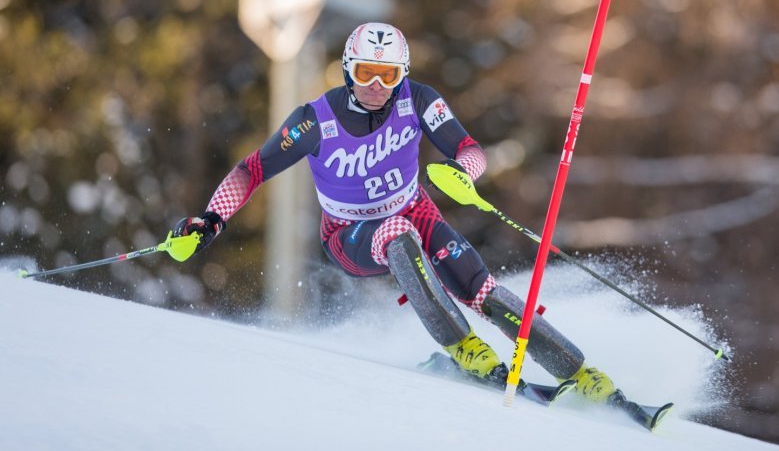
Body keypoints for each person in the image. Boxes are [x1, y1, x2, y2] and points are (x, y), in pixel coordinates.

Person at [173, 22, 616, 401]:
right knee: (396, 231)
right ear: (349, 69)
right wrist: (212, 219)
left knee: (481, 287)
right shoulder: (314, 120)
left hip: (414, 208)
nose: (376, 87)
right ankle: (462, 345)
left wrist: (464, 172)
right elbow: (251, 168)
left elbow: (469, 148)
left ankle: (577, 371)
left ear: (401, 74)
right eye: (366, 73)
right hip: (349, 233)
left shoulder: (417, 99)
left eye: (388, 76)